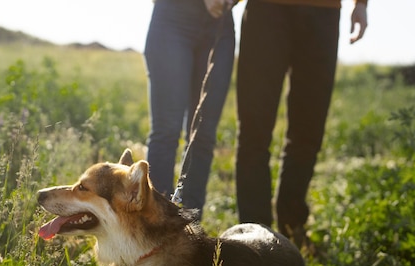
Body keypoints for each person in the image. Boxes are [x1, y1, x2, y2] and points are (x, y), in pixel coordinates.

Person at [235, 0, 368, 248]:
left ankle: (292, 230)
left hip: (323, 12)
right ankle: (254, 240)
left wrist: (361, 4)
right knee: (254, 131)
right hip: (266, 10)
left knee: (308, 131)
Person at [144, 0, 236, 218]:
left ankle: (191, 229)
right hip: (173, 16)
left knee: (203, 135)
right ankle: (154, 224)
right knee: (166, 131)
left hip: (220, 23)